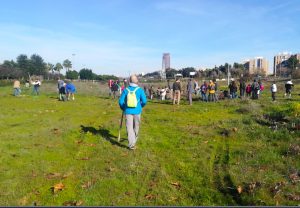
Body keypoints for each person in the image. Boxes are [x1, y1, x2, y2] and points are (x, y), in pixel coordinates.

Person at [119, 75, 147, 150]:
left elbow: (121, 101)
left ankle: (131, 143)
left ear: (129, 81)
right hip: (137, 111)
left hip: (128, 111)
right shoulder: (140, 90)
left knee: (129, 127)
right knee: (136, 126)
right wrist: (140, 106)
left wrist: (123, 107)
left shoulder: (126, 90)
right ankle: (133, 141)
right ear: (137, 81)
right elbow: (144, 101)